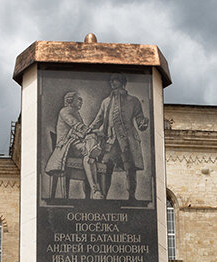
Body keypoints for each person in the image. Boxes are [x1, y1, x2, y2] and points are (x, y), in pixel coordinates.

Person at [88, 72, 149, 201]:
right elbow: (98, 119)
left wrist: (143, 123)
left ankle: (131, 196)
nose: (112, 82)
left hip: (127, 141)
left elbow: (140, 121)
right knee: (106, 167)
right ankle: (104, 196)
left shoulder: (133, 100)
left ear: (122, 82)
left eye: (115, 80)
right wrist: (89, 130)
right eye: (111, 80)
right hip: (110, 140)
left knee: (130, 169)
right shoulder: (106, 102)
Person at [44, 91, 100, 198]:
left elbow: (81, 131)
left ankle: (95, 190)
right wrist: (89, 131)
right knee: (90, 141)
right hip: (66, 145)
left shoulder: (76, 113)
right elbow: (74, 124)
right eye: (78, 99)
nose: (81, 102)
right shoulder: (65, 111)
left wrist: (91, 133)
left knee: (88, 155)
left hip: (76, 143)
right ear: (70, 100)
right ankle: (92, 150)